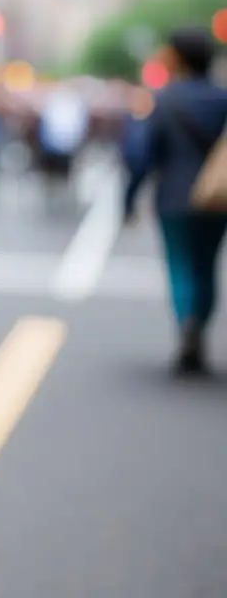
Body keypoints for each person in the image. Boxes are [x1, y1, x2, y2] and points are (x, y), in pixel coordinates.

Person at [124, 27, 227, 374]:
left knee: (181, 265)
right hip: (218, 196)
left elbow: (142, 154)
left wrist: (129, 199)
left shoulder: (165, 99)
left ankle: (187, 326)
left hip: (174, 197)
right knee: (207, 267)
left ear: (178, 58)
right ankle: (200, 326)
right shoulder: (223, 98)